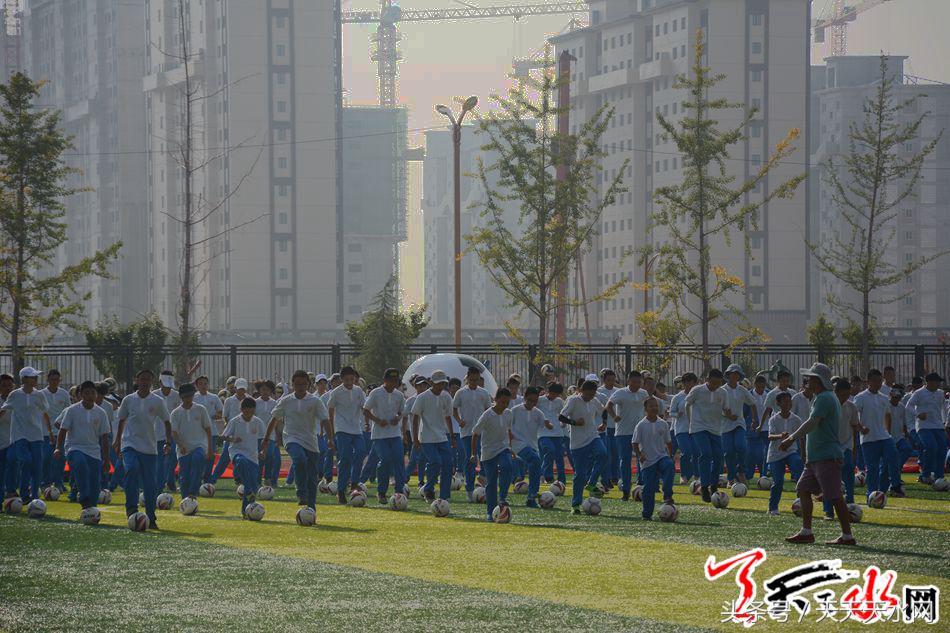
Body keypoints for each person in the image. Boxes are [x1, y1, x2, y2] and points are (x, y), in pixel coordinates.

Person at [781, 363, 855, 546]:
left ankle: (847, 536)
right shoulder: (822, 397)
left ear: (819, 380)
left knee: (835, 496)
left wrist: (791, 438)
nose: (807, 381)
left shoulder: (824, 398)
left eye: (811, 378)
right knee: (803, 489)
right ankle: (807, 532)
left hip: (826, 456)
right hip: (817, 457)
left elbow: (812, 422)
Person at [263, 370, 331, 512]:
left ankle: (311, 508)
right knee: (299, 459)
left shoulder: (315, 401)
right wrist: (266, 439)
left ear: (309, 385)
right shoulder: (286, 400)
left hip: (311, 441)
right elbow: (274, 419)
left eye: (304, 384)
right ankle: (301, 492)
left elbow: (325, 420)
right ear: (292, 385)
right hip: (291, 438)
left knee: (312, 477)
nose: (300, 387)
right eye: (297, 384)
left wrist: (331, 438)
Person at [114, 369, 172, 530]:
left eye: (148, 379)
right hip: (129, 444)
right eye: (142, 379)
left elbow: (167, 421)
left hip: (149, 448)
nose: (145, 381)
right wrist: (117, 441)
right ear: (137, 380)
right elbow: (121, 420)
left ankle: (151, 518)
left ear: (152, 382)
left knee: (150, 484)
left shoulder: (158, 401)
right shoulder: (128, 400)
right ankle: (131, 510)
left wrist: (168, 442)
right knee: (131, 469)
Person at [53, 381, 110, 510]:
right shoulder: (72, 410)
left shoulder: (101, 413)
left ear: (96, 395)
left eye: (92, 393)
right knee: (80, 464)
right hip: (74, 447)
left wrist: (106, 459)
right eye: (86, 393)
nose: (90, 395)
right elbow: (62, 430)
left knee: (95, 484)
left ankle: (91, 511)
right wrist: (58, 447)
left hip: (94, 451)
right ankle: (84, 498)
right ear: (80, 395)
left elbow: (105, 438)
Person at [2, 367, 52, 503]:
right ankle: (24, 493)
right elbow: (4, 409)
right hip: (19, 435)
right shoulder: (15, 395)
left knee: (36, 466)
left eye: (36, 376)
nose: (36, 379)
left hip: (36, 435)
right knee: (27, 461)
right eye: (32, 377)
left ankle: (34, 496)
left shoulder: (39, 395)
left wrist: (49, 432)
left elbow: (45, 410)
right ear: (24, 379)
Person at [559, 379, 608, 514]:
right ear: (581, 391)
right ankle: (575, 505)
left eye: (592, 394)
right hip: (578, 442)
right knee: (579, 475)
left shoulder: (594, 400)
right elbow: (561, 417)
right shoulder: (573, 400)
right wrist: (574, 422)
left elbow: (604, 410)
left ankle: (592, 482)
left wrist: (604, 422)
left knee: (603, 454)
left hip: (593, 436)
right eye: (588, 394)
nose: (590, 397)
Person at [853, 369, 902, 501]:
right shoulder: (861, 397)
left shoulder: (884, 398)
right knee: (873, 468)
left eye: (880, 380)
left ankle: (894, 486)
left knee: (893, 457)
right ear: (868, 381)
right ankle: (871, 494)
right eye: (875, 380)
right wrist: (861, 428)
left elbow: (887, 415)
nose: (878, 383)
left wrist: (888, 432)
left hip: (884, 437)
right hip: (868, 439)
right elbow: (852, 416)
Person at [363, 368, 406, 505]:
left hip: (394, 433)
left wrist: (398, 418)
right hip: (379, 435)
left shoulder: (399, 395)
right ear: (385, 380)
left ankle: (399, 491)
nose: (393, 383)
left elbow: (402, 412)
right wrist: (376, 420)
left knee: (399, 460)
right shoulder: (376, 393)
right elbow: (365, 410)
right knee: (386, 460)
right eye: (391, 380)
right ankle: (381, 492)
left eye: (395, 381)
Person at [411, 370, 455, 502]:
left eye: (443, 383)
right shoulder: (422, 397)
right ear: (431, 382)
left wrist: (452, 436)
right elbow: (415, 417)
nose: (441, 386)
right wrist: (415, 439)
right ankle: (428, 489)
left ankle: (444, 496)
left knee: (448, 464)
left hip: (442, 437)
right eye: (439, 383)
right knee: (435, 462)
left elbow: (448, 417)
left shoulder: (446, 397)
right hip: (427, 438)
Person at [471, 388, 514, 522]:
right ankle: (491, 512)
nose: (504, 406)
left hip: (503, 448)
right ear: (495, 400)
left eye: (507, 403)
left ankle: (502, 497)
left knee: (507, 466)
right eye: (502, 402)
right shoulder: (487, 415)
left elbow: (508, 431)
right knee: (491, 482)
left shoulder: (508, 414)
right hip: (488, 451)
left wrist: (510, 447)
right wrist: (474, 454)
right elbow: (475, 434)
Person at [606, 370, 650, 500]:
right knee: (625, 461)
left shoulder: (643, 393)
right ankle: (625, 490)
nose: (636, 384)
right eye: (634, 382)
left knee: (643, 458)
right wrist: (614, 416)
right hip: (623, 433)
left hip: (640, 431)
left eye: (639, 382)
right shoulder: (620, 392)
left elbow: (649, 405)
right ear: (628, 381)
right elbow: (608, 405)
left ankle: (642, 485)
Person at [686, 369, 727, 503]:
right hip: (699, 428)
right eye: (713, 383)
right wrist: (690, 422)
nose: (715, 386)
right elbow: (688, 404)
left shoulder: (723, 392)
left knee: (719, 456)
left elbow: (725, 409)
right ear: (707, 380)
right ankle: (704, 487)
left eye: (718, 383)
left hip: (715, 429)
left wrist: (729, 414)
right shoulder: (697, 390)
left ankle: (713, 486)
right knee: (705, 453)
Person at [327, 366, 367, 503]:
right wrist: (331, 433)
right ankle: (341, 490)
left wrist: (367, 422)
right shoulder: (336, 393)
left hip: (356, 429)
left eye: (352, 379)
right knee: (345, 458)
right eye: (347, 379)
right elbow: (330, 411)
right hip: (342, 429)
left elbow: (364, 407)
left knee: (361, 451)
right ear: (342, 379)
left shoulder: (358, 391)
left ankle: (354, 483)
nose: (350, 382)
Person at [823, 379, 861, 519]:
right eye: (842, 395)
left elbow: (855, 428)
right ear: (836, 392)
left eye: (847, 394)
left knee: (849, 475)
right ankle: (828, 511)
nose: (845, 398)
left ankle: (850, 505)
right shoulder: (829, 406)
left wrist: (854, 449)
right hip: (830, 447)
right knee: (830, 479)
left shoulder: (851, 407)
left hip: (846, 446)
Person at [452, 367, 492, 501]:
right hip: (466, 433)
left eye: (477, 380)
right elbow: (454, 408)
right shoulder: (461, 393)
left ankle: (483, 478)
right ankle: (469, 491)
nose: (474, 382)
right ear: (467, 378)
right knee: (470, 461)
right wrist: (459, 420)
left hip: (482, 432)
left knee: (485, 458)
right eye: (472, 379)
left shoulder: (484, 393)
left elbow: (489, 410)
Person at [632, 397, 675, 520]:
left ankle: (667, 495)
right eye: (651, 406)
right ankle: (647, 514)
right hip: (648, 462)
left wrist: (671, 456)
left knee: (668, 465)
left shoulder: (663, 423)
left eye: (656, 406)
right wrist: (640, 455)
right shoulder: (641, 425)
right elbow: (634, 443)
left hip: (661, 456)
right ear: (645, 409)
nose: (654, 408)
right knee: (648, 489)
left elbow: (669, 442)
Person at [170, 383, 214, 500]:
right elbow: (174, 432)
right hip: (183, 449)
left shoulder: (200, 409)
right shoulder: (175, 413)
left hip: (199, 446)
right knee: (184, 477)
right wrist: (180, 445)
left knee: (198, 458)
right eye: (185, 397)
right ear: (181, 397)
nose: (188, 399)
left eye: (190, 396)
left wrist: (209, 448)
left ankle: (193, 493)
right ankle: (186, 499)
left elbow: (208, 429)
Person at [509, 386, 550, 508]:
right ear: (525, 398)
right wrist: (509, 437)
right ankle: (531, 496)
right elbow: (507, 425)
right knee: (535, 460)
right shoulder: (515, 410)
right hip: (518, 444)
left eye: (535, 401)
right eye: (530, 400)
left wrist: (550, 425)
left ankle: (531, 495)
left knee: (534, 465)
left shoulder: (538, 413)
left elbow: (546, 422)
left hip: (532, 445)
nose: (532, 403)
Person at [223, 397, 265, 515]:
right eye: (246, 411)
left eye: (251, 411)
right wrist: (233, 439)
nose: (248, 414)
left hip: (253, 456)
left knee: (251, 484)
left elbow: (264, 439)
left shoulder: (258, 422)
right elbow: (224, 436)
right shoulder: (235, 421)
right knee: (242, 462)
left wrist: (263, 451)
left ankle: (247, 511)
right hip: (237, 452)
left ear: (254, 410)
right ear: (241, 409)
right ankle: (242, 482)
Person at [764, 392, 804, 515]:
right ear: (778, 403)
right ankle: (773, 508)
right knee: (778, 482)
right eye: (785, 401)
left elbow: (801, 437)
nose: (788, 404)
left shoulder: (796, 419)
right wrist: (780, 436)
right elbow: (769, 436)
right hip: (776, 454)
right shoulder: (773, 419)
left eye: (789, 401)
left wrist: (803, 454)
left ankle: (801, 501)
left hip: (791, 451)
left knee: (798, 466)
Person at [905, 372, 948, 484]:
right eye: (937, 381)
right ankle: (926, 474)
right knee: (931, 447)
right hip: (924, 427)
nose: (938, 384)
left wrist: (944, 422)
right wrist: (918, 414)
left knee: (942, 449)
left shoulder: (940, 393)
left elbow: (943, 407)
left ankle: (939, 476)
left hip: (938, 426)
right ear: (929, 382)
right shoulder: (919, 393)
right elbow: (908, 406)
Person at [721, 364, 756, 486]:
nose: (735, 376)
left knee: (741, 446)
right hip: (725, 425)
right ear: (728, 375)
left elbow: (752, 403)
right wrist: (727, 415)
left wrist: (754, 419)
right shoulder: (722, 390)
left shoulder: (742, 390)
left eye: (737, 374)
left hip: (739, 424)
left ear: (740, 376)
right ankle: (731, 478)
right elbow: (717, 407)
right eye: (732, 374)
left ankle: (741, 471)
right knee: (729, 451)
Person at [211, 378, 249, 485]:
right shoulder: (229, 401)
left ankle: (239, 478)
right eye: (239, 388)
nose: (241, 391)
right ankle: (213, 479)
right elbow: (225, 416)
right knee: (225, 457)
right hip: (231, 433)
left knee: (242, 457)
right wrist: (230, 429)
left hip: (245, 433)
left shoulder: (250, 400)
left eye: (243, 389)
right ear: (235, 388)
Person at [41, 369, 71, 492]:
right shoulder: (41, 394)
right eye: (52, 379)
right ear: (47, 380)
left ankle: (58, 483)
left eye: (57, 380)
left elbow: (68, 411)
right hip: (44, 432)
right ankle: (45, 483)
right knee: (46, 458)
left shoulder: (64, 394)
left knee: (61, 458)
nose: (55, 382)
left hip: (60, 432)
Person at [152, 370, 181, 492]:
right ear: (160, 382)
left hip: (173, 433)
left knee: (173, 457)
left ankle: (170, 480)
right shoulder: (153, 395)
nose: (168, 389)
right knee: (160, 461)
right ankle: (159, 486)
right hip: (157, 433)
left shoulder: (176, 395)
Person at [881, 385, 912, 495]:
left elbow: (903, 421)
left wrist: (906, 433)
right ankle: (891, 480)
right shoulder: (885, 405)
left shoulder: (901, 407)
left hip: (899, 437)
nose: (896, 399)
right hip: (887, 437)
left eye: (898, 397)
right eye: (894, 397)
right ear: (890, 396)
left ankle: (895, 471)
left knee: (907, 448)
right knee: (885, 463)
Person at [668, 373, 697, 485]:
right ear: (683, 384)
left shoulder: (698, 395)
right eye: (686, 382)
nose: (689, 385)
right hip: (681, 429)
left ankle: (696, 475)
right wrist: (677, 415)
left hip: (695, 429)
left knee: (696, 452)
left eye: (691, 382)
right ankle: (684, 475)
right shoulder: (677, 397)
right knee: (687, 451)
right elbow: (671, 412)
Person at [193, 375, 223, 484]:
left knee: (210, 455)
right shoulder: (193, 397)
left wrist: (217, 415)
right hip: (197, 432)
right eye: (200, 383)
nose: (203, 385)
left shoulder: (214, 397)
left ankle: (207, 479)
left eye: (205, 383)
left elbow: (221, 411)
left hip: (212, 431)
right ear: (196, 386)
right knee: (198, 456)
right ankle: (197, 478)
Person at [537, 383, 567, 485]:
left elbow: (563, 413)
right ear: (548, 391)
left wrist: (563, 422)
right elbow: (533, 410)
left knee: (559, 457)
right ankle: (547, 475)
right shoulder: (540, 400)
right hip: (543, 433)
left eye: (556, 394)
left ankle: (562, 480)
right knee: (550, 451)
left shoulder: (559, 401)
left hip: (558, 433)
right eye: (552, 393)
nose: (554, 396)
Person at [596, 369, 620, 488]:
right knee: (607, 454)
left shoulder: (618, 391)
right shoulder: (599, 391)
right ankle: (607, 477)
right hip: (605, 428)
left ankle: (616, 477)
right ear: (603, 380)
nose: (611, 382)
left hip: (616, 427)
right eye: (608, 380)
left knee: (616, 453)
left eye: (613, 379)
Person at [255, 380, 280, 487]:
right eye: (263, 389)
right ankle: (257, 480)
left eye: (267, 389)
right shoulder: (255, 403)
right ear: (259, 390)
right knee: (259, 458)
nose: (265, 392)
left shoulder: (274, 403)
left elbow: (277, 420)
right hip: (258, 435)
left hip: (271, 435)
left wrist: (278, 435)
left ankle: (268, 478)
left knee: (270, 456)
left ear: (271, 391)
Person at [745, 374, 770, 481]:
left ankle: (763, 475)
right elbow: (744, 412)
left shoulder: (769, 394)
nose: (760, 389)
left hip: (766, 428)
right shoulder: (748, 395)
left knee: (764, 454)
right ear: (755, 385)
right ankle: (748, 475)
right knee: (751, 453)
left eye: (762, 387)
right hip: (752, 429)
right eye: (759, 387)